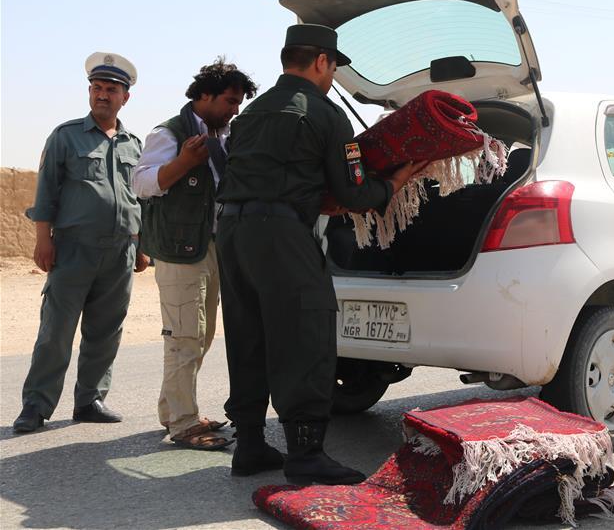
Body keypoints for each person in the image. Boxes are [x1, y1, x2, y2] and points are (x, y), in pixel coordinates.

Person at [216, 24, 426, 484]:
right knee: (304, 334)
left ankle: (249, 444)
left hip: (231, 232)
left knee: (248, 333)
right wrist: (393, 184)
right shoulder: (326, 114)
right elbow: (353, 194)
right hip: (281, 234)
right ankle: (306, 455)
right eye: (333, 67)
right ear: (320, 63)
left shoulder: (251, 113)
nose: (332, 76)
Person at [13, 52, 149, 433]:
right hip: (73, 248)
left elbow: (139, 199)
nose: (102, 95)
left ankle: (90, 399)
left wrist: (141, 246)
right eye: (96, 88)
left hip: (121, 250)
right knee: (56, 331)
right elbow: (47, 193)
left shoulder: (133, 144)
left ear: (125, 97)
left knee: (106, 331)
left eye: (110, 89)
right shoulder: (65, 136)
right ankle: (36, 406)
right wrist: (44, 240)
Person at [134, 58, 258, 450]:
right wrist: (183, 162)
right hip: (179, 250)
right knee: (184, 335)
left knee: (200, 334)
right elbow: (142, 184)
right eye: (229, 100)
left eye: (238, 103)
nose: (234, 109)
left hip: (211, 246)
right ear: (204, 96)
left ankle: (172, 411)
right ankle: (184, 424)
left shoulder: (221, 136)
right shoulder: (169, 134)